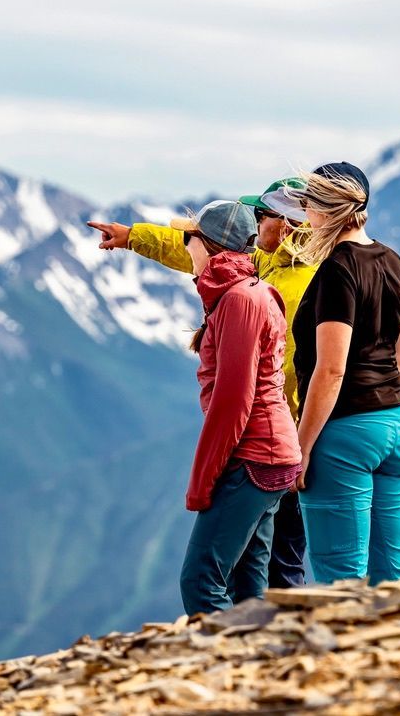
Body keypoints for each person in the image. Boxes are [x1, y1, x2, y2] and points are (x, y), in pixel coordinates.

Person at [88, 178, 315, 589]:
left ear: (285, 224)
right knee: (254, 573)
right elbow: (198, 248)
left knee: (251, 571)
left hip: (268, 443)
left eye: (261, 215)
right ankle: (266, 631)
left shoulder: (278, 289)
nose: (255, 223)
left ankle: (286, 629)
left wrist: (207, 477)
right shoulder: (261, 267)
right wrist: (132, 236)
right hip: (278, 444)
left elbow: (257, 387)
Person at [158, 200, 301, 614]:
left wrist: (202, 481)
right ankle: (257, 652)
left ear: (209, 245)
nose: (185, 245)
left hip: (254, 455)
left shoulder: (240, 300)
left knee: (201, 581)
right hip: (270, 455)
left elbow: (233, 401)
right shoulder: (247, 291)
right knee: (248, 584)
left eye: (189, 237)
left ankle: (222, 655)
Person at [287, 162, 400, 585]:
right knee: (393, 572)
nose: (304, 215)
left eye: (307, 205)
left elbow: (331, 368)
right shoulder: (394, 261)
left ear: (324, 210)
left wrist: (302, 447)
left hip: (344, 434)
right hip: (396, 426)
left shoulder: (338, 269)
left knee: (340, 579)